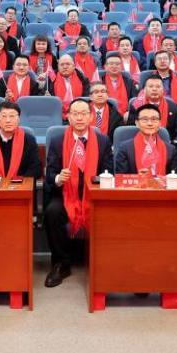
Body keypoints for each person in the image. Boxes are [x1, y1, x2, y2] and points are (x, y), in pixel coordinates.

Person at [43, 98, 113, 288]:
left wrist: (99, 179)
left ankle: (103, 261)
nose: (79, 118)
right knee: (52, 212)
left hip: (93, 195)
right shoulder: (58, 141)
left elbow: (109, 171)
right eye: (75, 114)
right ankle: (61, 263)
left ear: (91, 117)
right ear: (68, 117)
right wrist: (59, 178)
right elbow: (49, 174)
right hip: (66, 194)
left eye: (83, 114)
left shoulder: (102, 141)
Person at [0, 101, 41, 180]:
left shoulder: (29, 140)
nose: (8, 120)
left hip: (19, 185)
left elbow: (36, 169)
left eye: (12, 116)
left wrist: (18, 181)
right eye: (4, 116)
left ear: (18, 119)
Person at [115, 104, 177, 174]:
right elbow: (121, 177)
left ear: (160, 123)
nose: (149, 123)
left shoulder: (171, 150)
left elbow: (174, 177)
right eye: (145, 119)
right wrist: (138, 178)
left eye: (154, 119)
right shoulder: (125, 149)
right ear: (137, 123)